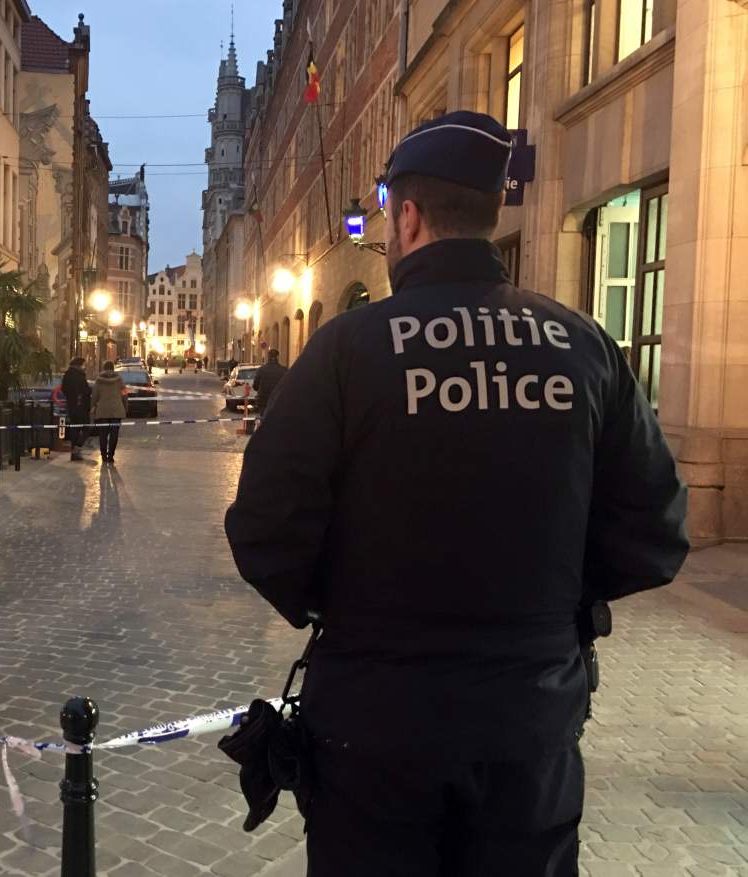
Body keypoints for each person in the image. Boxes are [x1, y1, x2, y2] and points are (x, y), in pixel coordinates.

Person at [224, 111, 688, 876]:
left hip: (375, 724)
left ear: (407, 217)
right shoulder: (582, 343)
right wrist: (555, 600)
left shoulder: (349, 347)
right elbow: (658, 530)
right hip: (528, 720)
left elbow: (265, 528)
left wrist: (337, 605)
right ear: (489, 210)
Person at [91, 360, 127, 464]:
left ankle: (103, 456)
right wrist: (125, 407)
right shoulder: (119, 380)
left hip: (102, 411)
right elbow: (124, 394)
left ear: (103, 368)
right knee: (114, 434)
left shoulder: (98, 381)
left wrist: (93, 406)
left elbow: (95, 395)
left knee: (102, 434)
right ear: (113, 368)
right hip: (117, 410)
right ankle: (111, 455)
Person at [61, 355, 91, 462]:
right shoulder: (80, 375)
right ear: (79, 365)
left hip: (72, 406)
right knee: (87, 427)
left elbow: (64, 389)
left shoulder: (67, 374)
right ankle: (77, 448)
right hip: (82, 406)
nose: (84, 367)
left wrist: (70, 398)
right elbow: (86, 390)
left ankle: (74, 454)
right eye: (83, 365)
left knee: (75, 429)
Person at [251, 349, 286, 415]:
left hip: (263, 402)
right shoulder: (284, 370)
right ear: (278, 357)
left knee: (264, 419)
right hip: (278, 401)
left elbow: (255, 386)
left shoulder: (261, 370)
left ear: (268, 357)